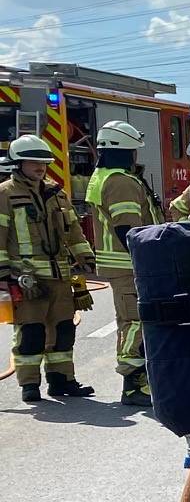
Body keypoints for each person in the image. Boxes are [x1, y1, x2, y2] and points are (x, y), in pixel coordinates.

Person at [0, 135, 93, 401]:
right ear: (18, 164)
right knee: (31, 333)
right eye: (34, 162)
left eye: (44, 162)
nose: (40, 167)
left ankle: (62, 381)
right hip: (27, 279)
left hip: (61, 277)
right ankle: (29, 385)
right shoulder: (5, 194)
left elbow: (73, 230)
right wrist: (4, 274)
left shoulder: (56, 192)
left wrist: (85, 257)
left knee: (64, 331)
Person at [84, 120, 161, 406]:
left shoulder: (102, 176)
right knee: (134, 323)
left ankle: (138, 382)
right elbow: (128, 229)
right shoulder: (120, 181)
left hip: (120, 265)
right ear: (130, 151)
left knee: (131, 321)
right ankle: (134, 385)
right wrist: (153, 259)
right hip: (130, 266)